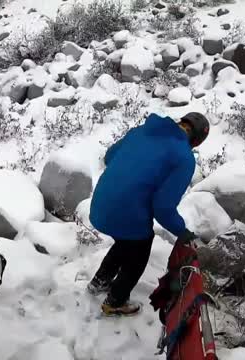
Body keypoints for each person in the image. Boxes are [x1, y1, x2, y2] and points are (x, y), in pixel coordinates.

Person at [87, 112, 210, 316]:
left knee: (127, 241)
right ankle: (115, 302)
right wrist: (183, 232)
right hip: (124, 211)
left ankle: (99, 282)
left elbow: (109, 156)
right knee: (139, 249)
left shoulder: (141, 131)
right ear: (196, 141)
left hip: (100, 202)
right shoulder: (183, 157)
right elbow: (162, 208)